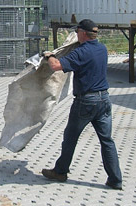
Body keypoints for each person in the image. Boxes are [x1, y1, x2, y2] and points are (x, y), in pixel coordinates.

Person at [42, 19, 122, 190]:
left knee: (70, 138)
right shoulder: (102, 48)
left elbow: (56, 66)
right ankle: (115, 179)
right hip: (104, 100)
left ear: (83, 33)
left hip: (86, 102)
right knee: (107, 140)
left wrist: (49, 55)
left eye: (77, 31)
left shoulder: (81, 52)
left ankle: (60, 171)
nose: (75, 34)